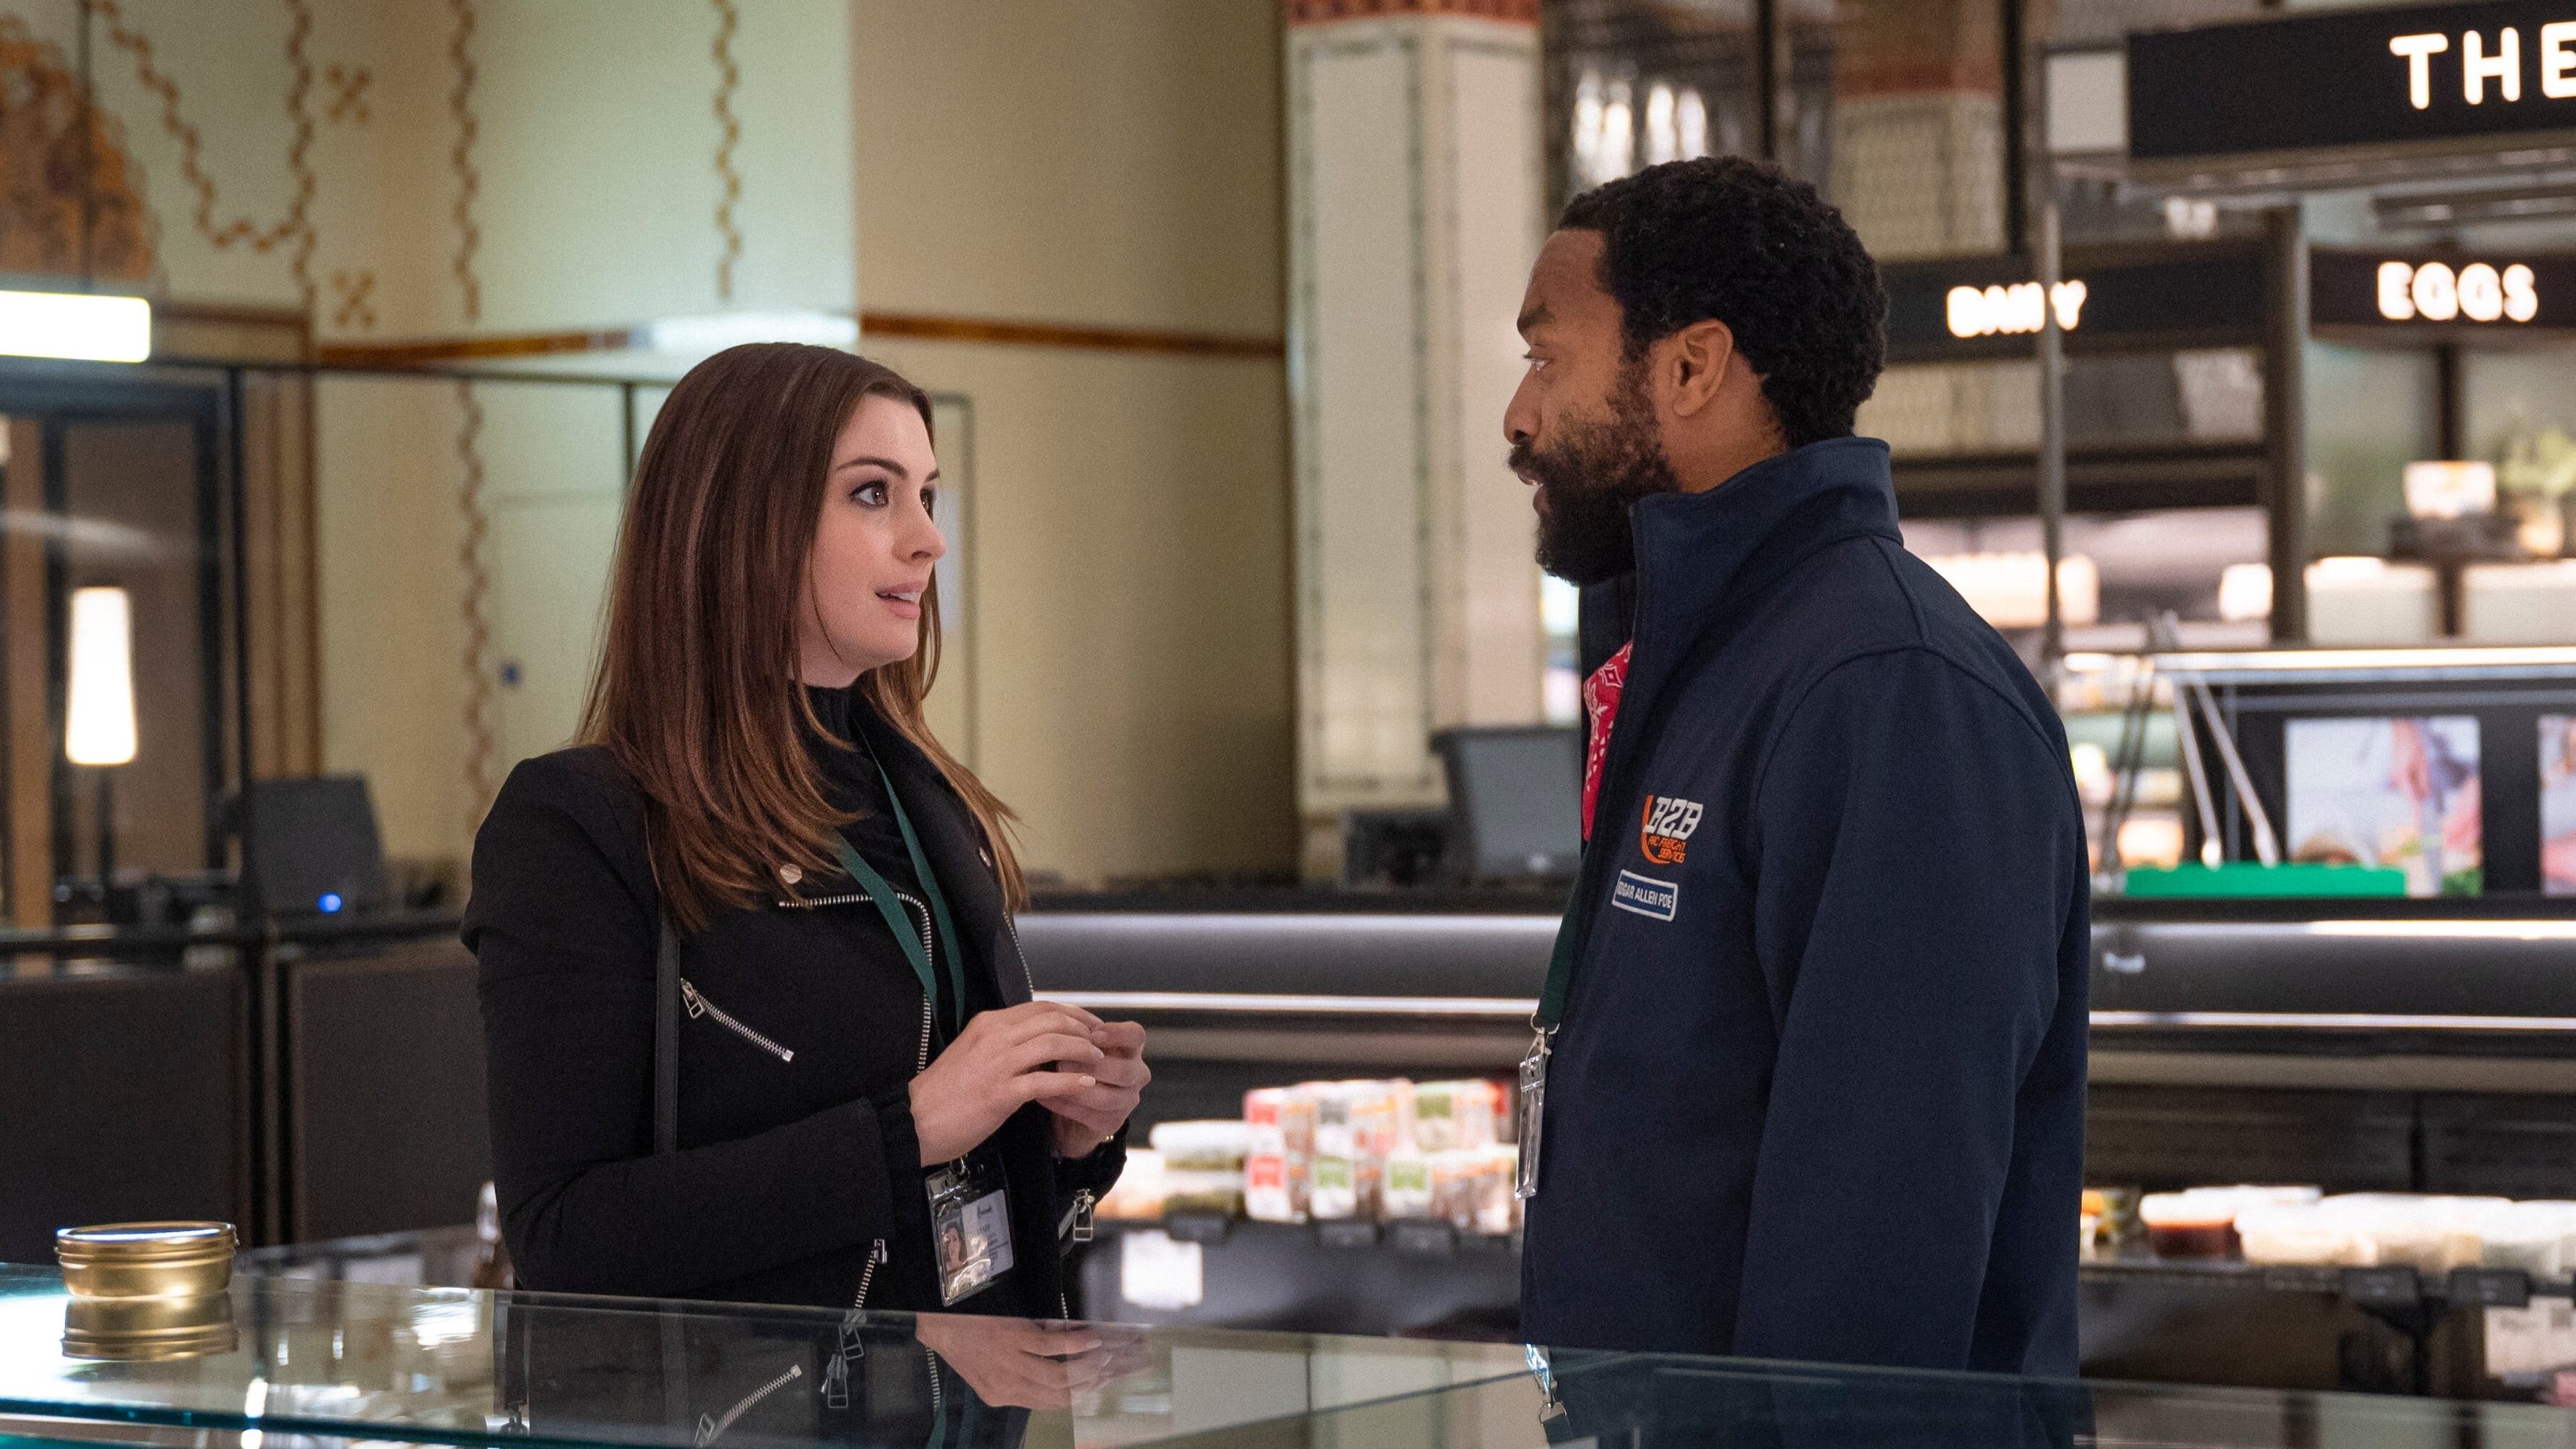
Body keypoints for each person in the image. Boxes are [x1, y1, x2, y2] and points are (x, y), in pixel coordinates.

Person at [1507, 157, 2090, 1374]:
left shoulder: (1887, 690)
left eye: (1547, 358)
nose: (1519, 416)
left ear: (1691, 367)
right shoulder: (1713, 659)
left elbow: (1879, 1239)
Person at [464, 344, 1145, 1325]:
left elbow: (951, 1217)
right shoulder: (581, 824)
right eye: (873, 494)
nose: (927, 540)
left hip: (966, 1396)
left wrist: (1065, 1136)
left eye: (926, 495)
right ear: (742, 525)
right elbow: (564, 1237)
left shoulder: (928, 803)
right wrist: (906, 1130)